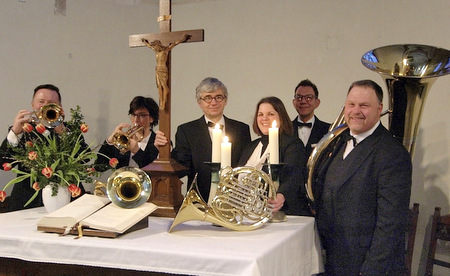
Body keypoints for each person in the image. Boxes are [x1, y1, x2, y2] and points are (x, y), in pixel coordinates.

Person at [314, 80, 412, 275]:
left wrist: (370, 270)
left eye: (364, 105)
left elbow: (390, 225)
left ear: (379, 108)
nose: (356, 111)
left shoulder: (392, 153)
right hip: (333, 258)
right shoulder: (338, 141)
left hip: (365, 265)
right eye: (351, 104)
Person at [154, 77, 251, 201]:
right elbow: (181, 169)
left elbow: (246, 166)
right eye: (207, 98)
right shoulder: (187, 131)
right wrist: (165, 153)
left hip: (235, 200)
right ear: (199, 102)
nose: (213, 102)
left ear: (225, 100)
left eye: (218, 97)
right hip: (199, 200)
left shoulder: (241, 129)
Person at [0, 84, 87, 211]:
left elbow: (83, 158)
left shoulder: (71, 130)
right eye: (41, 102)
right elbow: (3, 162)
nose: (45, 106)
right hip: (27, 201)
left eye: (51, 102)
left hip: (67, 198)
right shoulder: (22, 130)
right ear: (33, 105)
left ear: (60, 107)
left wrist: (63, 134)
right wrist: (14, 133)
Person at [237, 96, 310, 216]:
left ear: (280, 117)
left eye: (270, 114)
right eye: (260, 114)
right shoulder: (250, 146)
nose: (264, 118)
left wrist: (281, 196)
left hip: (284, 213)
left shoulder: (292, 144)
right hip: (248, 213)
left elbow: (294, 175)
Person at [95, 96, 159, 170]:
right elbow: (99, 167)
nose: (135, 120)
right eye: (133, 115)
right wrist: (110, 140)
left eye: (141, 115)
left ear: (151, 118)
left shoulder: (157, 142)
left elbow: (155, 170)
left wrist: (137, 151)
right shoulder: (123, 139)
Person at [142, 34, 190, 110]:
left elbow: (175, 44)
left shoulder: (166, 50)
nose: (155, 47)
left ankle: (164, 101)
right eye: (154, 46)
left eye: (156, 46)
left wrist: (183, 39)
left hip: (163, 69)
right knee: (159, 86)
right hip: (157, 69)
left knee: (164, 85)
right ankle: (161, 101)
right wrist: (145, 42)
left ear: (159, 45)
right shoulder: (156, 51)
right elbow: (149, 46)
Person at [292, 79, 330, 157]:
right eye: (299, 97)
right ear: (294, 102)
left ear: (317, 103)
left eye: (308, 98)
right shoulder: (285, 129)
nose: (303, 101)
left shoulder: (328, 130)